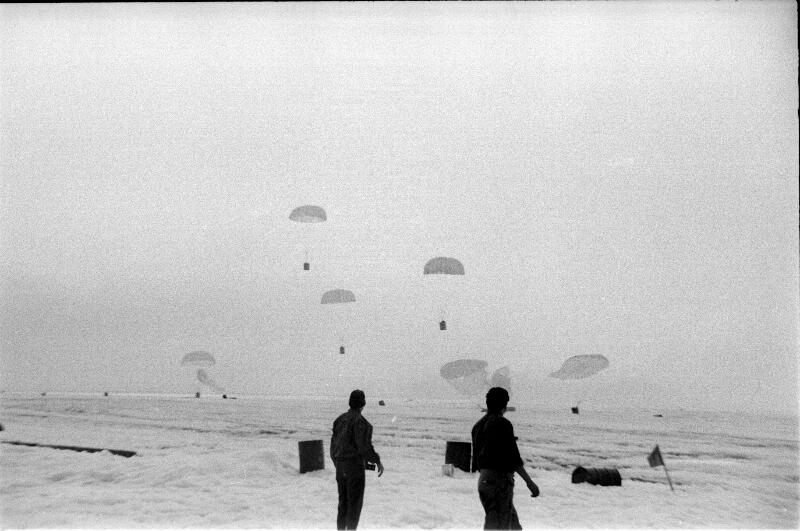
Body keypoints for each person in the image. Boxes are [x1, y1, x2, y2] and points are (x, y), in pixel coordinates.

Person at [471, 387, 539, 530]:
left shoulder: (477, 426)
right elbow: (514, 459)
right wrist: (529, 482)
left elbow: (477, 460)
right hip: (499, 484)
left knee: (513, 525)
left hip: (484, 482)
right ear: (505, 405)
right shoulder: (502, 424)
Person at [330, 389, 384, 530]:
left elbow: (333, 448)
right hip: (354, 468)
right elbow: (364, 447)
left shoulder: (339, 420)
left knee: (343, 504)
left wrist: (339, 464)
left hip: (340, 467)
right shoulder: (361, 422)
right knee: (354, 505)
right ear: (362, 404)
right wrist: (377, 461)